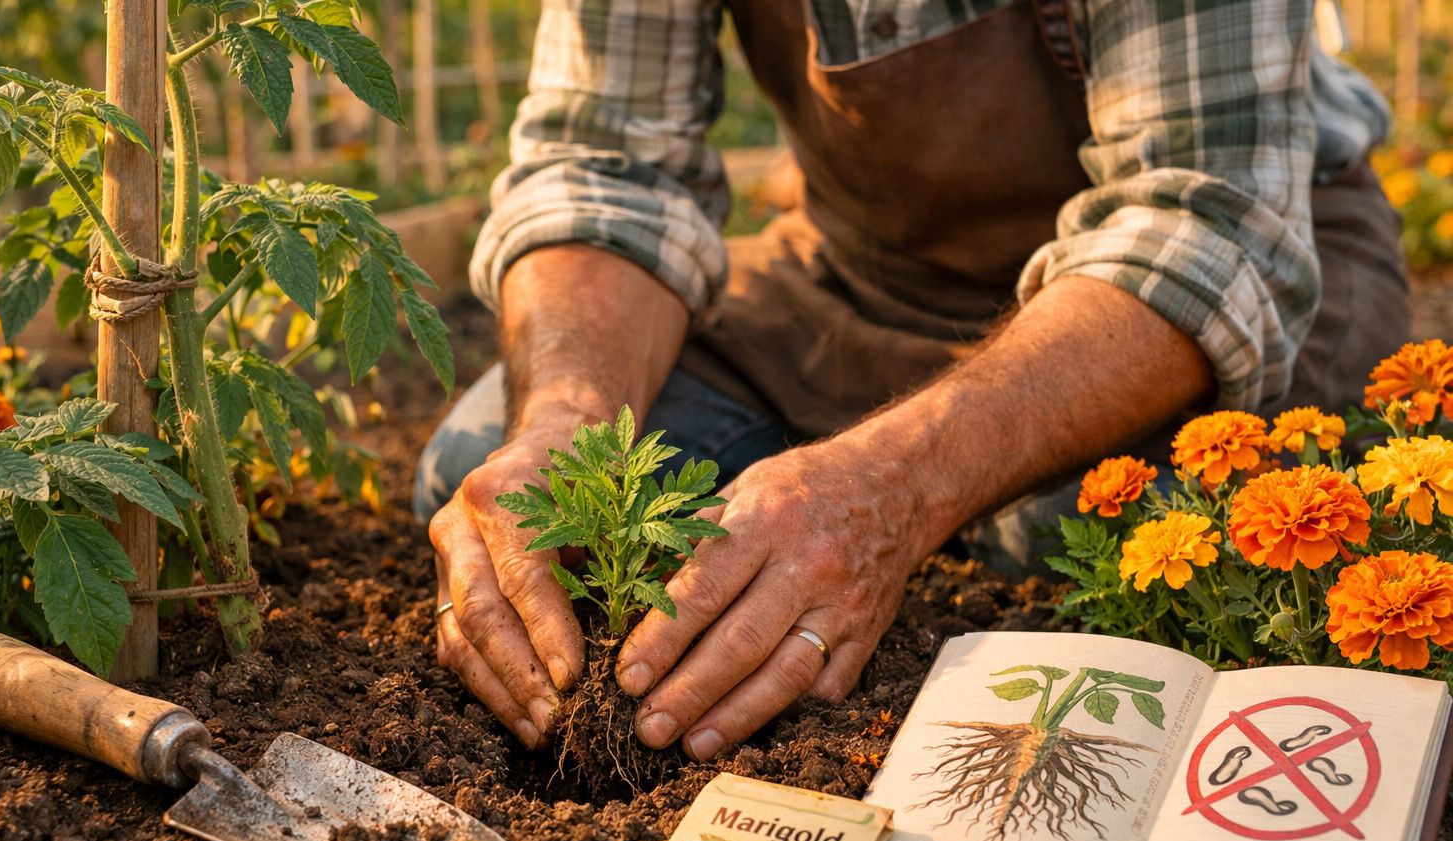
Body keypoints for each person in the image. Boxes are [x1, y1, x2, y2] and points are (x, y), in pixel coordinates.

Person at [415, 0, 1407, 762]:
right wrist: (572, 420)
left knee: (1067, 553)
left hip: (1170, 301)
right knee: (505, 488)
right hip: (865, 277)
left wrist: (886, 488)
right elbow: (606, 166)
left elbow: (1211, 225)